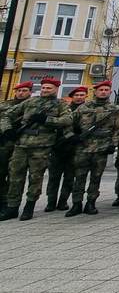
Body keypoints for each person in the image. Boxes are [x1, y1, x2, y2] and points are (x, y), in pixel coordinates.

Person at [1, 78, 70, 221]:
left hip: (41, 147)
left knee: (35, 178)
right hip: (21, 145)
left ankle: (29, 207)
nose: (45, 90)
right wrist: (7, 130)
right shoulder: (30, 102)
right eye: (43, 87)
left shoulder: (60, 105)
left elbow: (67, 120)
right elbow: (7, 114)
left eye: (49, 88)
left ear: (56, 89)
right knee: (15, 177)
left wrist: (47, 120)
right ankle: (12, 208)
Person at [66, 81, 119, 217]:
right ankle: (76, 204)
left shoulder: (114, 109)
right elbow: (68, 123)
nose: (103, 92)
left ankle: (91, 202)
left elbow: (118, 128)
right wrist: (72, 136)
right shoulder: (83, 107)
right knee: (79, 177)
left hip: (101, 148)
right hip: (83, 148)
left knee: (96, 178)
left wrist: (113, 144)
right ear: (95, 92)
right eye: (101, 89)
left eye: (106, 90)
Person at [44, 85, 85, 213]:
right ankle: (51, 202)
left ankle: (63, 201)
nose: (79, 98)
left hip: (75, 148)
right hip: (59, 146)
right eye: (76, 95)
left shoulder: (87, 109)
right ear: (72, 97)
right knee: (54, 176)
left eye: (81, 95)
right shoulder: (63, 108)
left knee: (70, 176)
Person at [0, 81, 33, 214]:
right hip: (3, 143)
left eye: (24, 90)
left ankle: (10, 204)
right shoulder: (4, 105)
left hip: (21, 144)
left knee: (15, 175)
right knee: (1, 173)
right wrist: (6, 130)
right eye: (19, 90)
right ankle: (2, 201)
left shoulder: (33, 105)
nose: (21, 93)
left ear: (30, 92)